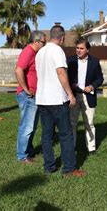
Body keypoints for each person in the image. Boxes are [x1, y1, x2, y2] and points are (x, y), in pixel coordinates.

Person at [35, 24, 86, 177]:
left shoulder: (40, 52)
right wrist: (70, 94)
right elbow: (61, 72)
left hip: (42, 99)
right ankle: (69, 169)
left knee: (46, 135)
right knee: (66, 134)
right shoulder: (58, 51)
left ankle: (49, 167)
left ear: (51, 36)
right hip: (57, 99)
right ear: (62, 38)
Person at [67, 38, 104, 155]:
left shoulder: (94, 61)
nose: (78, 50)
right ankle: (71, 147)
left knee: (89, 123)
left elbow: (100, 78)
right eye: (77, 48)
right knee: (72, 123)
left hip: (89, 96)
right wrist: (71, 84)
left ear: (87, 49)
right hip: (74, 95)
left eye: (81, 48)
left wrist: (92, 86)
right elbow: (64, 77)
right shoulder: (70, 60)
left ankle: (91, 148)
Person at [14, 31, 46, 164]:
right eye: (43, 42)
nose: (44, 44)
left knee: (32, 126)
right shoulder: (28, 51)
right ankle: (22, 156)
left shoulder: (35, 53)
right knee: (26, 127)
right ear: (36, 42)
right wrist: (26, 89)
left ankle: (28, 151)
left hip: (34, 95)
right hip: (28, 96)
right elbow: (18, 70)